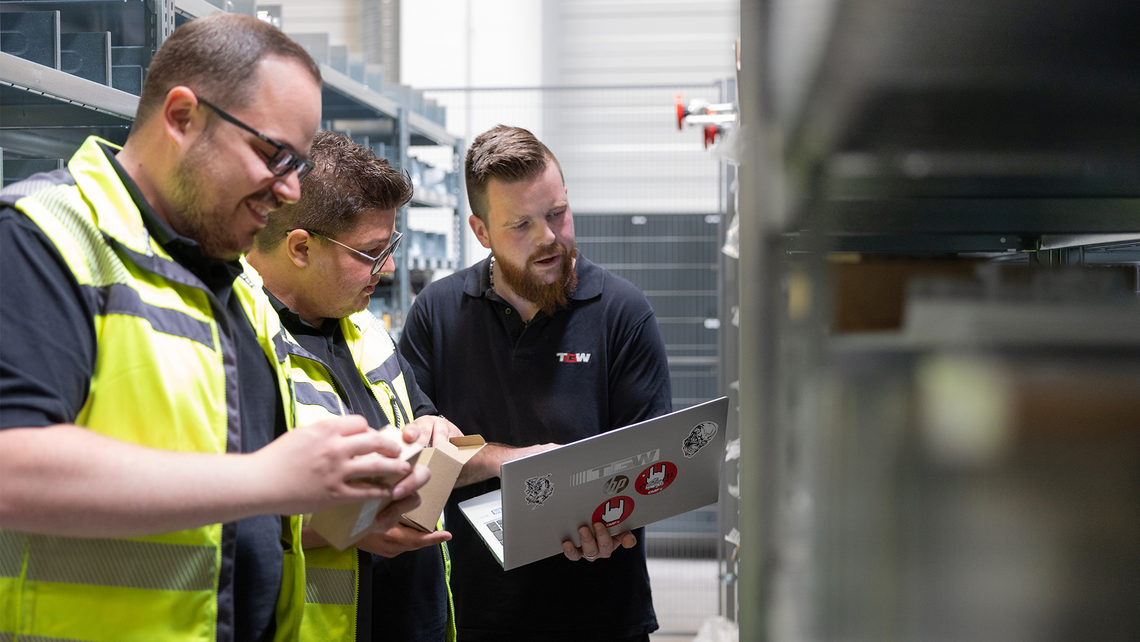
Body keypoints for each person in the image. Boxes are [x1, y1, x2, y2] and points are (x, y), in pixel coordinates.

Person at [0, 14, 428, 642]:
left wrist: (341, 508)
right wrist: (272, 479)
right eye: (275, 156)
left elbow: (216, 497)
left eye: (299, 165)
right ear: (182, 117)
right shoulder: (46, 239)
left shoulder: (226, 284)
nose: (288, 192)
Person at [398, 125, 673, 642]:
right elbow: (414, 466)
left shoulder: (623, 314)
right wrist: (510, 461)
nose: (548, 238)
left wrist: (615, 523)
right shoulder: (437, 314)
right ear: (481, 232)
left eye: (556, 214)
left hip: (601, 614)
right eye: (521, 225)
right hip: (471, 615)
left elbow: (653, 465)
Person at [247, 130, 461, 642]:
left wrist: (432, 428)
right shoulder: (238, 339)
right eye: (370, 251)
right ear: (301, 247)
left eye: (391, 246)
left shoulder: (363, 326)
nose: (386, 269)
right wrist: (347, 526)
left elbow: (420, 417)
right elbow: (217, 515)